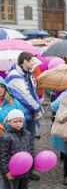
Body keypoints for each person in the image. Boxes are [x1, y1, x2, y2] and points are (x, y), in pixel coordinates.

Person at [5, 52, 43, 180]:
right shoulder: (15, 76)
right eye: (31, 60)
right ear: (24, 62)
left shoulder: (27, 74)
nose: (33, 63)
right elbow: (25, 96)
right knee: (18, 143)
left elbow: (33, 93)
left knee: (28, 141)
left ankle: (27, 169)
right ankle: (18, 169)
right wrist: (37, 108)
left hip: (28, 113)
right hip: (20, 115)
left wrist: (39, 108)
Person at [1, 109, 37, 189]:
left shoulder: (27, 134)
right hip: (11, 171)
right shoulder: (5, 136)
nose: (18, 123)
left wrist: (31, 166)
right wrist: (6, 172)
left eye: (20, 121)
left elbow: (31, 150)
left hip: (25, 170)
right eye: (15, 121)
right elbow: (2, 156)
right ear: (10, 122)